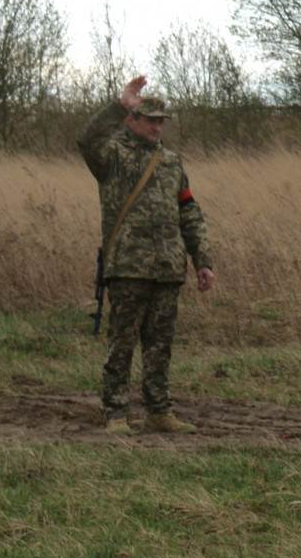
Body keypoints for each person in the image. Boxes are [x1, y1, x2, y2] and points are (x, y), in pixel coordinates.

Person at [77, 75, 214, 436]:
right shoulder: (112, 157)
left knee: (159, 346)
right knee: (121, 344)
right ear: (132, 121)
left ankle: (158, 410)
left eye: (160, 121)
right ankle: (115, 413)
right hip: (128, 268)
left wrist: (202, 260)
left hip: (167, 268)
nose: (156, 126)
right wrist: (117, 105)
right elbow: (87, 140)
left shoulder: (171, 162)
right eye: (150, 120)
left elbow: (188, 211)